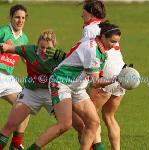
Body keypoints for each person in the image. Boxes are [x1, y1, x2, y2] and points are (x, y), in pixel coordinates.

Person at [26, 21, 121, 150]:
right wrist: (117, 79)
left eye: (117, 42)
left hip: (77, 87)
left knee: (93, 123)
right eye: (112, 41)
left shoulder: (100, 49)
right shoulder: (92, 50)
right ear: (103, 37)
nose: (115, 45)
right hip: (61, 82)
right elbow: (95, 83)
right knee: (65, 124)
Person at [72, 1, 126, 150]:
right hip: (121, 72)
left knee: (89, 119)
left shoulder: (90, 28)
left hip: (106, 73)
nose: (81, 14)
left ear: (90, 12)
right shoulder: (106, 26)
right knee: (109, 116)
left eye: (83, 11)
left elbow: (86, 53)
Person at [0, 30, 65, 150]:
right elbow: (9, 48)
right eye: (41, 47)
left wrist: (63, 57)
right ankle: (15, 145)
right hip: (31, 93)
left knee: (77, 124)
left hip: (52, 94)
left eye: (48, 48)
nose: (44, 51)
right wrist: (3, 47)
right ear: (37, 45)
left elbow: (76, 65)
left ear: (54, 47)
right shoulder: (29, 50)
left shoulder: (59, 57)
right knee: (10, 125)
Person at [0, 4, 29, 150]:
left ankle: (16, 145)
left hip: (7, 79)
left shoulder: (24, 38)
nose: (20, 20)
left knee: (26, 104)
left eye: (23, 18)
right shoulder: (3, 31)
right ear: (10, 17)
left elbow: (27, 60)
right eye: (17, 17)